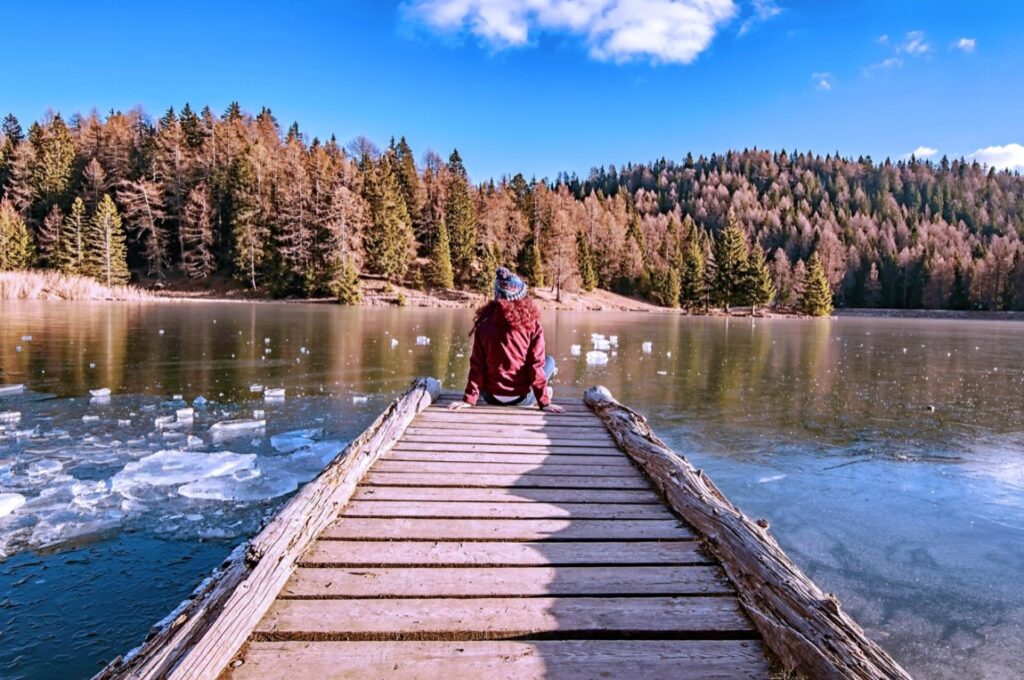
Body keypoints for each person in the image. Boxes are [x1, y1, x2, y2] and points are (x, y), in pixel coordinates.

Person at [449, 267, 564, 413]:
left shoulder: (484, 325)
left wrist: (469, 400)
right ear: (522, 298)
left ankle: (540, 394)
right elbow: (535, 366)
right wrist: (544, 402)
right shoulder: (532, 326)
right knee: (549, 362)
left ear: (497, 296)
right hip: (521, 399)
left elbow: (477, 366)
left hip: (490, 397)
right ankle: (539, 395)